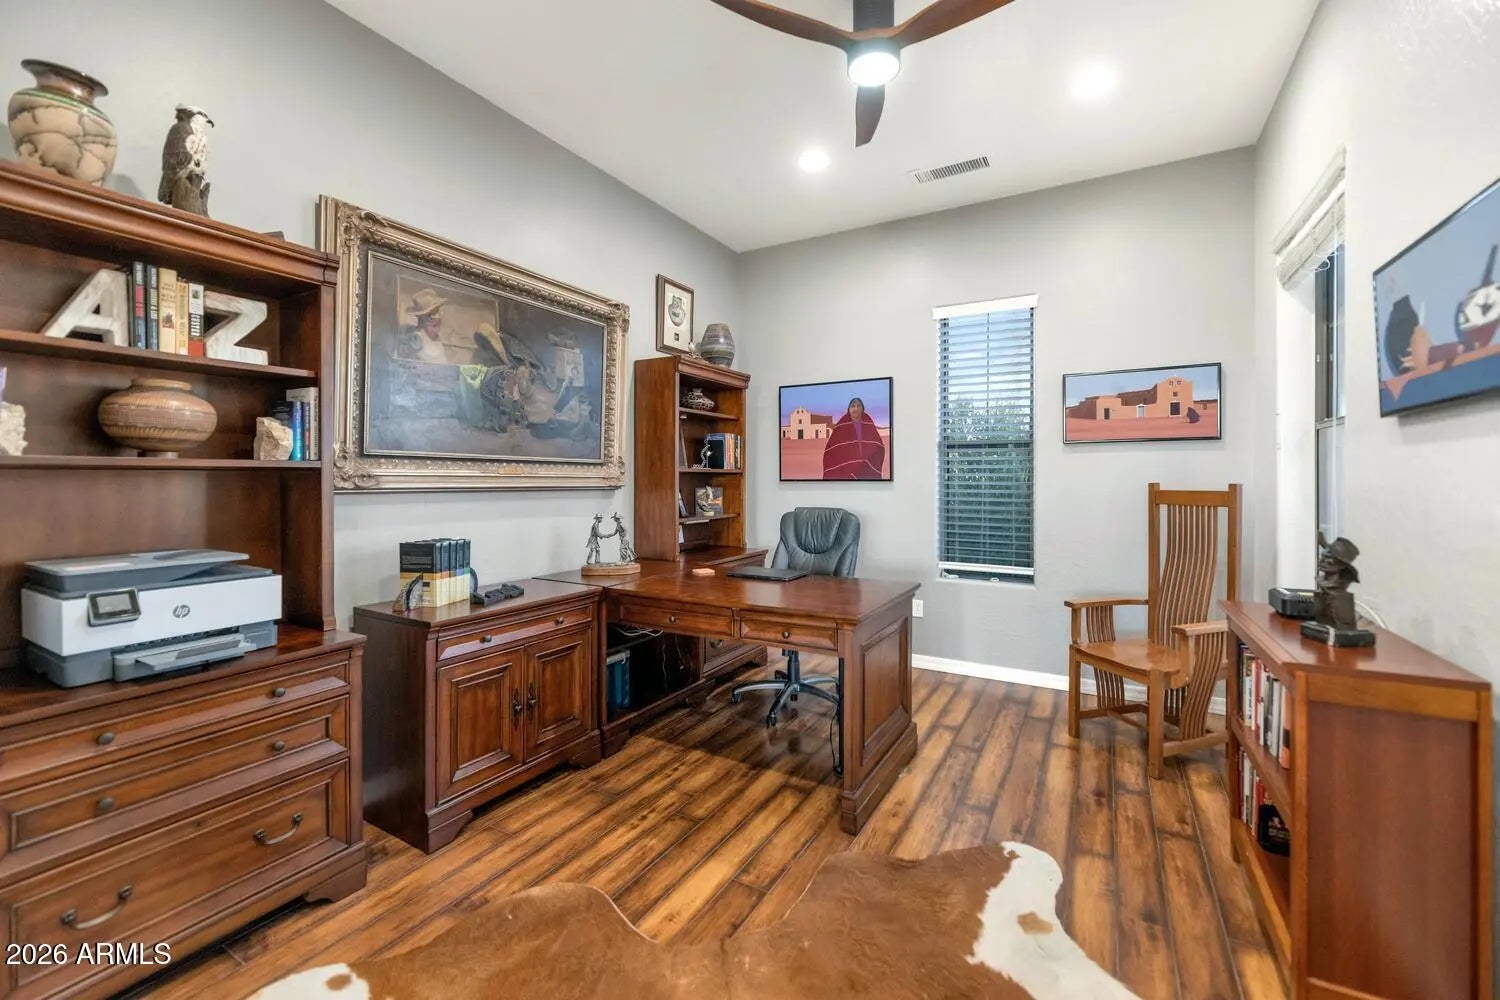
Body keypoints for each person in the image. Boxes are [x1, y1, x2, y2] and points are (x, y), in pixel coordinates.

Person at [821, 396, 886, 480]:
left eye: (858, 406)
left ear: (862, 409)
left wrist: (871, 457)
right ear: (849, 409)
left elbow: (877, 444)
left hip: (866, 468)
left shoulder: (868, 423)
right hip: (846, 469)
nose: (856, 409)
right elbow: (832, 448)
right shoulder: (841, 425)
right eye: (853, 406)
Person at [398, 288, 450, 364]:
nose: (436, 318)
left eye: (437, 312)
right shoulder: (416, 340)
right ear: (420, 317)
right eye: (429, 315)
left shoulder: (434, 337)